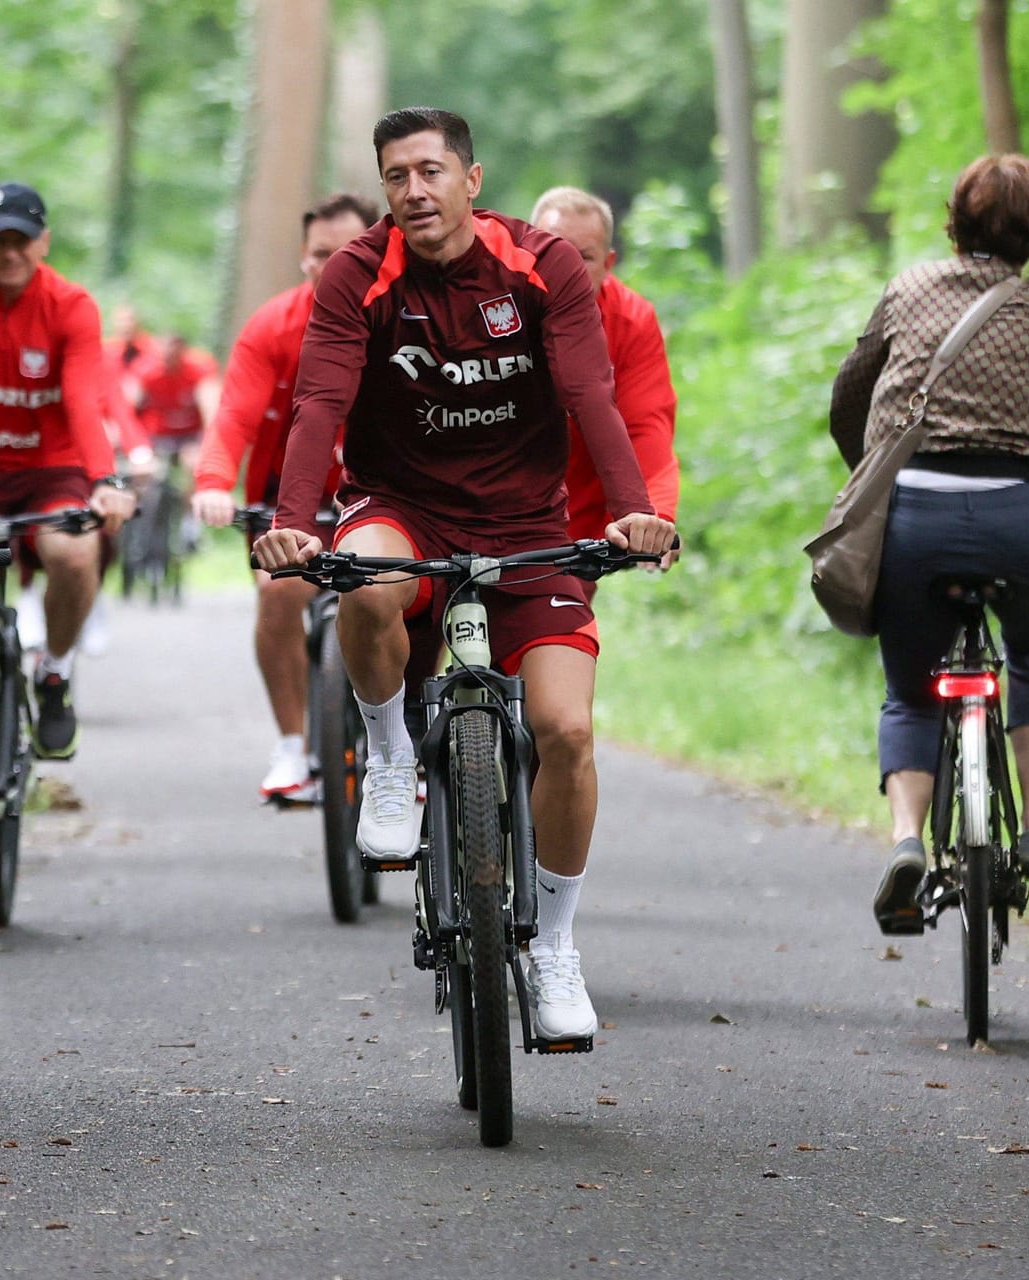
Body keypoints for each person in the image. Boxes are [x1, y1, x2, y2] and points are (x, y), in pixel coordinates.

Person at [253, 108, 675, 1040]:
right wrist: (290, 526)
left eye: (432, 172)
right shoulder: (357, 275)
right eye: (397, 175)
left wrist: (634, 509)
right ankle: (392, 754)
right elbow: (318, 403)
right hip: (400, 505)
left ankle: (554, 947)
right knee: (365, 584)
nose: (415, 191)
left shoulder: (541, 267)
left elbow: (589, 396)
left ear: (472, 182)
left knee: (566, 731)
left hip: (528, 522)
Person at [829, 153, 1029, 932]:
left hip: (916, 517)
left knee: (911, 689)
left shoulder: (908, 289)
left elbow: (850, 396)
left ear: (958, 219)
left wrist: (870, 478)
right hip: (1021, 515)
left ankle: (908, 841)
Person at [0, 182, 136, 760]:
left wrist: (104, 481)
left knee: (73, 554)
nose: (12, 252)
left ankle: (55, 671)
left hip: (51, 470)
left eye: (23, 240)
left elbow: (82, 402)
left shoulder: (70, 306)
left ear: (44, 242)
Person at [192, 192, 378, 800]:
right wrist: (213, 485)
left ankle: (398, 746)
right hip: (286, 499)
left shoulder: (402, 317)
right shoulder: (272, 326)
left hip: (378, 496)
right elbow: (233, 418)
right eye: (320, 254)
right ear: (303, 258)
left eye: (346, 252)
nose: (333, 266)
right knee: (279, 594)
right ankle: (293, 746)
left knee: (399, 602)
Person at [529, 187, 681, 571]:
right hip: (478, 513)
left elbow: (647, 426)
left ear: (609, 263)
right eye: (553, 253)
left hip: (576, 530)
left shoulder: (631, 322)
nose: (567, 269)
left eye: (584, 257)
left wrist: (654, 516)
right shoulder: (489, 312)